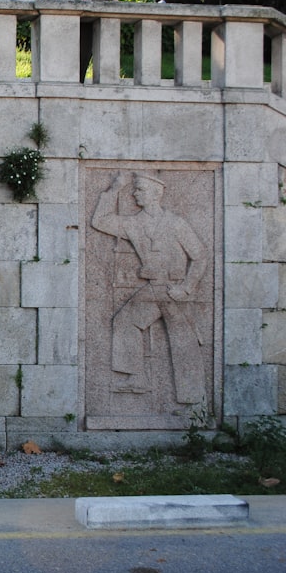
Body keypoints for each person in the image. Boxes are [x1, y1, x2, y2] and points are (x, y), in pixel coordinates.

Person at [90, 173, 207, 411]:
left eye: (140, 189)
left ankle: (193, 397)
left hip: (175, 290)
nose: (135, 194)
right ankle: (136, 377)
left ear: (156, 193)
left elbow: (200, 256)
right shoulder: (134, 223)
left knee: (183, 339)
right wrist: (113, 190)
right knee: (125, 321)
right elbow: (100, 221)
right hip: (153, 288)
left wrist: (186, 287)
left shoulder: (176, 223)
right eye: (135, 190)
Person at [38, 0, 118, 83]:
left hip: (86, 14)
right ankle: (60, 81)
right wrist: (41, 0)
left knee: (84, 52)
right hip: (64, 13)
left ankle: (79, 82)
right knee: (63, 51)